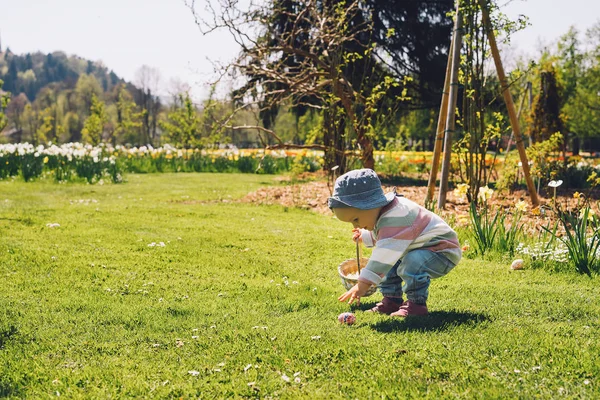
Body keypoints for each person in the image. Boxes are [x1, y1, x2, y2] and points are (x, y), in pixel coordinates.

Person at [328, 168, 461, 317]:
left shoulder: (397, 215)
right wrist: (365, 236)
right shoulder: (383, 213)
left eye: (356, 219)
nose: (355, 226)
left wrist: (363, 284)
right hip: (422, 248)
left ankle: (417, 305)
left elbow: (384, 251)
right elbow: (388, 235)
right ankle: (392, 300)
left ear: (370, 205)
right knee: (391, 262)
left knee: (405, 261)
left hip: (442, 250)